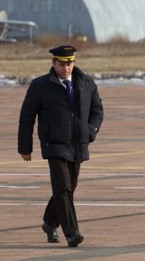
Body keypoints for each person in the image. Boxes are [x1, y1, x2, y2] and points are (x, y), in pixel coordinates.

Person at [18, 45, 104, 248]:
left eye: (69, 63)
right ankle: (72, 234)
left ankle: (49, 222)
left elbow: (97, 110)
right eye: (62, 64)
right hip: (54, 144)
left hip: (77, 144)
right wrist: (25, 147)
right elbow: (27, 117)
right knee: (63, 189)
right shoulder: (40, 86)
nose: (66, 68)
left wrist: (90, 131)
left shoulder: (86, 83)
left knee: (68, 188)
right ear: (53, 63)